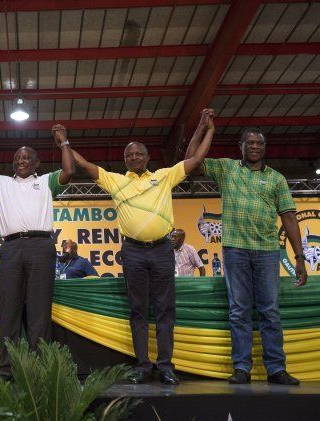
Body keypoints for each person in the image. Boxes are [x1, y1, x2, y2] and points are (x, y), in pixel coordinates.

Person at [71, 109, 215, 385]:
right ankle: (142, 366)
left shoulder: (163, 176)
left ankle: (165, 366)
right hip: (133, 251)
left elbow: (195, 158)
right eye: (129, 155)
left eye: (138, 154)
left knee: (165, 309)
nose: (134, 157)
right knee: (138, 310)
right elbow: (85, 165)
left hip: (162, 249)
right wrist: (65, 144)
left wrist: (204, 127)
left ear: (148, 158)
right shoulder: (116, 180)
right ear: (124, 160)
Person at [187, 127, 307, 385]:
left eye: (259, 144)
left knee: (270, 311)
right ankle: (241, 367)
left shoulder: (277, 179)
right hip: (235, 250)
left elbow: (289, 218)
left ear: (264, 148)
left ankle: (276, 369)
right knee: (239, 311)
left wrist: (299, 257)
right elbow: (192, 162)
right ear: (240, 145)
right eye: (249, 143)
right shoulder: (226, 168)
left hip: (267, 251)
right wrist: (202, 129)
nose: (254, 147)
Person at [0, 124, 75, 380]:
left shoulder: (46, 181)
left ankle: (40, 370)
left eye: (26, 157)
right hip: (11, 248)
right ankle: (5, 368)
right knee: (9, 311)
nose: (21, 161)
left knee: (39, 312)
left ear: (37, 162)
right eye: (17, 158)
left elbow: (70, 171)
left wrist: (63, 142)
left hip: (41, 247)